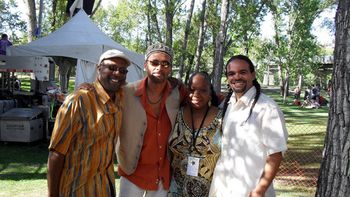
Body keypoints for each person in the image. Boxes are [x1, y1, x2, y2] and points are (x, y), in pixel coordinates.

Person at [47, 49, 131, 197]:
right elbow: (56, 154)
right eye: (111, 68)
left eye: (122, 71)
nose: (117, 73)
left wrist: (174, 83)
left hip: (105, 188)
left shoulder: (120, 98)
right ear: (99, 69)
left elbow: (150, 85)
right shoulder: (78, 101)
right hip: (77, 190)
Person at [209, 55, 288, 197]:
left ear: (253, 74)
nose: (236, 77)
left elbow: (275, 154)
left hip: (250, 190)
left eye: (242, 72)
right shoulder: (227, 104)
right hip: (223, 188)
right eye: (231, 73)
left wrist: (260, 190)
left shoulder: (267, 108)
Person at [117, 43, 187, 197]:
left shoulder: (178, 93)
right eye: (154, 63)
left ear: (170, 68)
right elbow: (102, 93)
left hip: (162, 174)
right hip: (132, 172)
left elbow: (201, 98)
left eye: (165, 64)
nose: (159, 68)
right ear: (145, 65)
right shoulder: (125, 92)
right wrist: (88, 86)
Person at [168, 71, 222, 197]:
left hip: (210, 191)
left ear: (210, 93)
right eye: (192, 89)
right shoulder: (177, 114)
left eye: (203, 90)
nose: (196, 95)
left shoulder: (222, 118)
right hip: (175, 190)